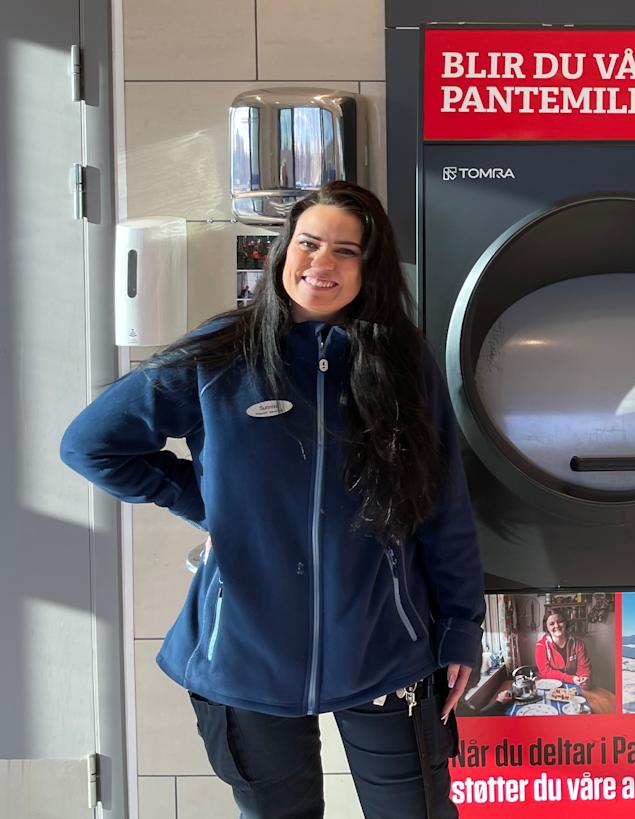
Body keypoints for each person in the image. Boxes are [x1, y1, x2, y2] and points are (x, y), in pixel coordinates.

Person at [60, 181, 484, 819]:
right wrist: (209, 506)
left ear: (368, 269)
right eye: (310, 243)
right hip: (245, 657)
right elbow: (92, 445)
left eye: (346, 251)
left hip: (382, 649)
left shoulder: (401, 365)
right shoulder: (220, 353)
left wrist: (460, 628)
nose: (322, 263)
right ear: (285, 249)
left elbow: (442, 505)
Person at [534, 608, 591, 687]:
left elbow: (583, 667)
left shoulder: (578, 644)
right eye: (552, 624)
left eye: (560, 621)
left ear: (565, 623)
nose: (556, 626)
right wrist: (571, 679)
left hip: (574, 684)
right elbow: (545, 672)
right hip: (548, 685)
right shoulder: (541, 645)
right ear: (546, 627)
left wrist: (584, 677)